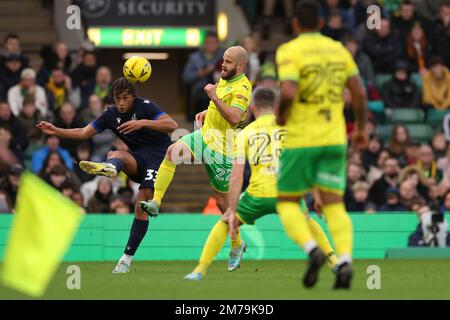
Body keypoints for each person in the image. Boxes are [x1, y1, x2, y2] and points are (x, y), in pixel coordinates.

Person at [184, 87, 338, 281]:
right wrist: (317, 197)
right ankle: (334, 262)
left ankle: (200, 270)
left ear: (252, 107)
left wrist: (232, 209)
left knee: (225, 222)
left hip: (258, 194)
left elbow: (237, 175)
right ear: (277, 107)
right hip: (287, 193)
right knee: (307, 220)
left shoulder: (245, 134)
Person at [37, 77, 178, 273]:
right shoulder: (110, 115)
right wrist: (55, 130)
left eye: (125, 98)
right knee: (115, 154)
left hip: (159, 157)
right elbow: (83, 132)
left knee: (141, 205)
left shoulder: (144, 106)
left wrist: (142, 123)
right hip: (138, 159)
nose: (121, 103)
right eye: (117, 98)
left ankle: (125, 260)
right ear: (113, 98)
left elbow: (172, 124)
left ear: (133, 98)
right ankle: (110, 167)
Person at [274, 0, 368, 289]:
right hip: (335, 138)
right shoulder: (338, 50)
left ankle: (312, 250)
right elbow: (358, 92)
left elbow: (288, 90)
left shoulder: (289, 50)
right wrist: (361, 129)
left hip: (302, 139)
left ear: (295, 25)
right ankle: (345, 261)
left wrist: (280, 115)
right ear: (323, 23)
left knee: (288, 202)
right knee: (335, 205)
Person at [140, 46, 252, 222]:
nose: (223, 64)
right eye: (223, 60)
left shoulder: (243, 88)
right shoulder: (226, 77)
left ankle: (237, 241)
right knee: (172, 151)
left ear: (240, 66)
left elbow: (235, 117)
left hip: (223, 149)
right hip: (205, 136)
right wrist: (208, 111)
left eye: (228, 62)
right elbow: (223, 104)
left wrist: (214, 97)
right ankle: (156, 202)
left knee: (222, 202)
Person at [182, 32, 224, 121]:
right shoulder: (194, 58)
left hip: (220, 96)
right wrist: (200, 73)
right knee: (199, 125)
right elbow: (185, 77)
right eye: (208, 42)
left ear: (218, 44)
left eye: (214, 43)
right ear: (204, 43)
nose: (211, 45)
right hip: (199, 96)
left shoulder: (224, 56)